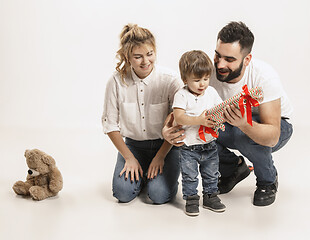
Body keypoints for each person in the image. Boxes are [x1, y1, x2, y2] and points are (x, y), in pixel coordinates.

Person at [163, 21, 293, 207]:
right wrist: (167, 131)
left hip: (276, 127)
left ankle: (267, 180)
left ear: (247, 60)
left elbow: (272, 137)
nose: (220, 64)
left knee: (242, 135)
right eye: (218, 56)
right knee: (195, 134)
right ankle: (233, 168)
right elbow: (182, 105)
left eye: (230, 60)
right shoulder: (207, 72)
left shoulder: (264, 78)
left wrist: (244, 124)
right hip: (229, 122)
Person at [102, 24, 183, 204]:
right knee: (122, 194)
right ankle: (144, 173)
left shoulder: (170, 80)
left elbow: (178, 125)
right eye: (137, 57)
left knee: (158, 196)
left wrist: (160, 156)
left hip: (166, 147)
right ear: (127, 57)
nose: (145, 61)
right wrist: (129, 158)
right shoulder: (115, 82)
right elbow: (110, 125)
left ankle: (159, 179)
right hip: (133, 147)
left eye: (150, 54)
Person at [172, 50, 225, 216]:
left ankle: (210, 196)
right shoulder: (182, 95)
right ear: (185, 79)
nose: (202, 84)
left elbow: (221, 110)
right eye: (197, 80)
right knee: (190, 176)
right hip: (189, 147)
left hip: (209, 144)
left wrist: (219, 120)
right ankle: (191, 199)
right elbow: (179, 117)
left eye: (206, 78)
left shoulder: (212, 93)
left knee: (211, 173)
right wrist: (199, 120)